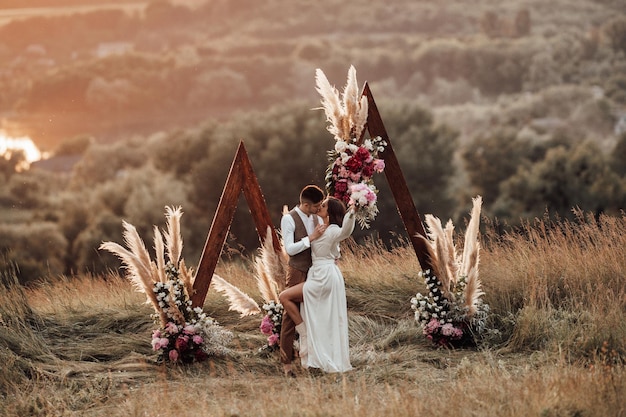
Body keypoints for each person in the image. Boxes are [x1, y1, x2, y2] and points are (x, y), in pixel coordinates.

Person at [279, 196, 356, 374]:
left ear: (330, 212)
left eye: (323, 206)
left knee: (285, 296)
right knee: (321, 319)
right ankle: (318, 357)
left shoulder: (334, 229)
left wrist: (353, 211)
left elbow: (346, 232)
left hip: (324, 276)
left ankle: (305, 335)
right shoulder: (321, 226)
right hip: (318, 274)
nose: (319, 207)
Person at [279, 184, 327, 377]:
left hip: (315, 271)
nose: (319, 208)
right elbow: (289, 249)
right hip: (297, 270)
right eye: (317, 205)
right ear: (307, 205)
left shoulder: (317, 217)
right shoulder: (288, 219)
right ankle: (287, 365)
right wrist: (311, 237)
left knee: (314, 314)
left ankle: (312, 360)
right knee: (290, 317)